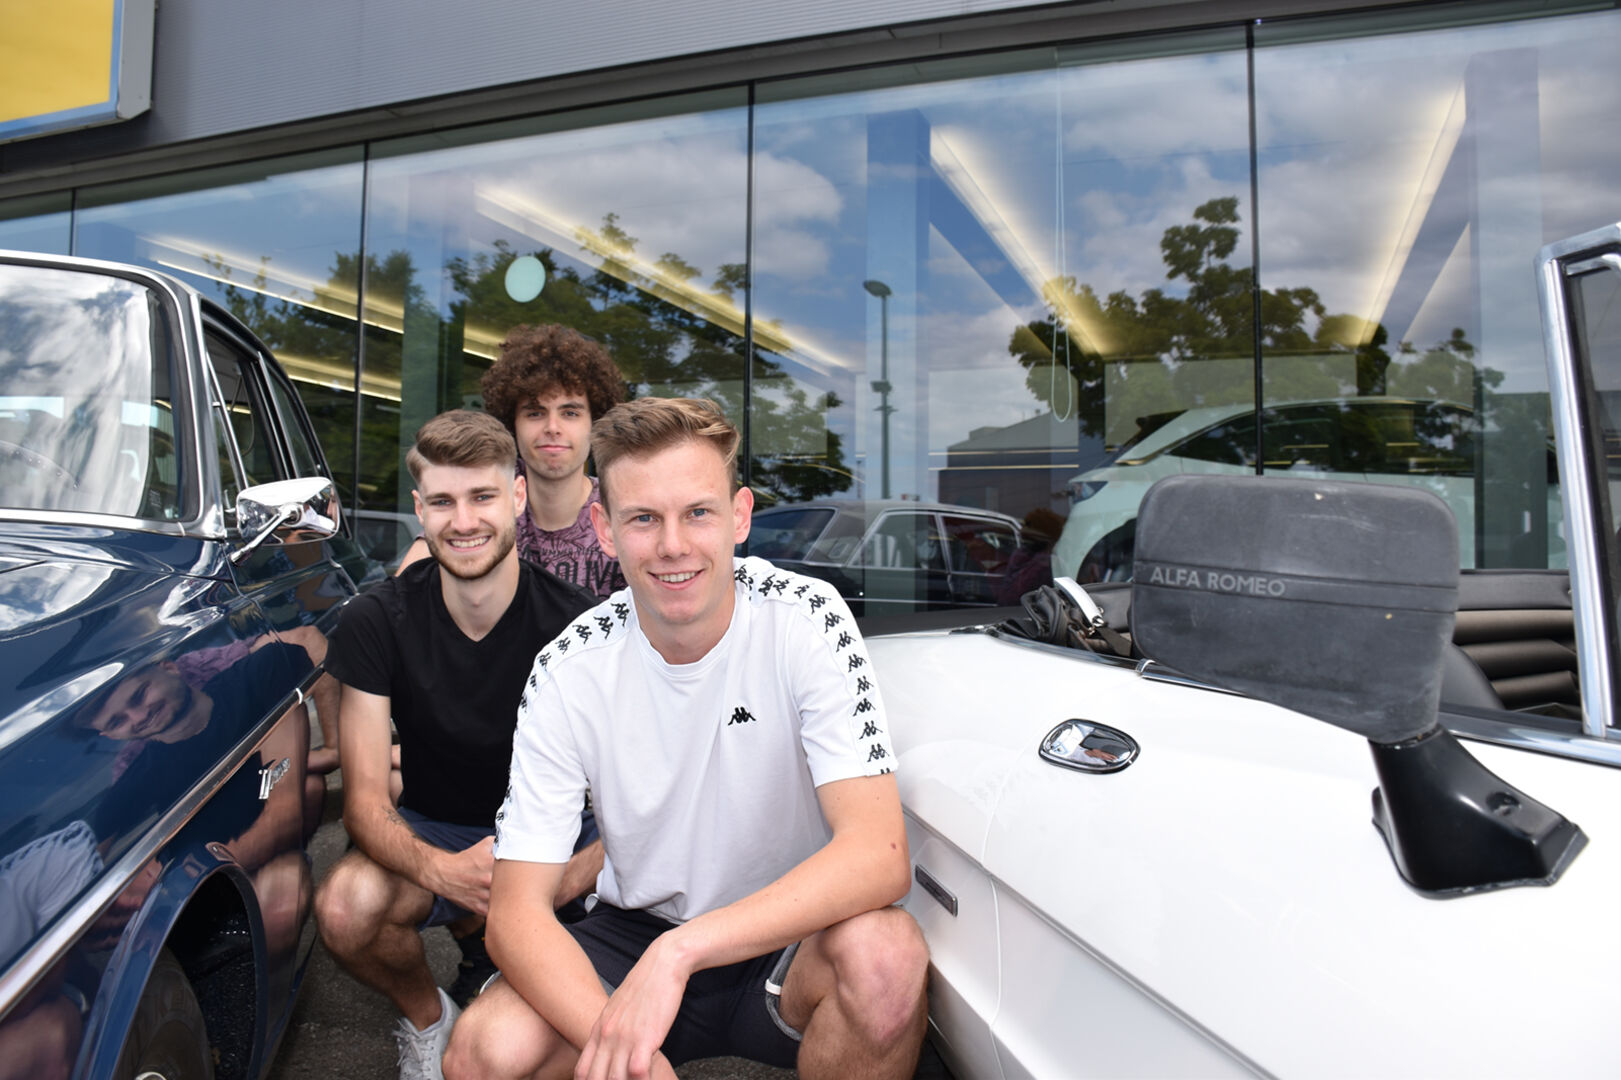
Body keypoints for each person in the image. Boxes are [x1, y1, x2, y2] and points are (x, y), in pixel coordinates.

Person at [443, 398, 930, 1080]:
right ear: (604, 529)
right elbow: (515, 916)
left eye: (698, 512)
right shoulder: (567, 667)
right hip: (633, 929)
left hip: (789, 931)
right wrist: (633, 1057)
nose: (672, 545)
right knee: (483, 1053)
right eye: (643, 518)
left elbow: (879, 856)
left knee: (885, 955)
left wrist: (683, 951)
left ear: (739, 516)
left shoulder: (807, 618)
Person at [314, 410, 602, 1080]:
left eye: (482, 497)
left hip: (557, 833)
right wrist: (444, 873)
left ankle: (501, 965)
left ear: (518, 497)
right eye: (443, 502)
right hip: (437, 827)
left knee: (548, 1043)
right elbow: (363, 803)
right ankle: (428, 1020)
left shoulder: (579, 626)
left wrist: (559, 879)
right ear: (420, 510)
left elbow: (633, 803)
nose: (464, 521)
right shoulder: (377, 619)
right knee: (346, 909)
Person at [399, 324, 627, 598]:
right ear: (513, 423)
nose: (552, 427)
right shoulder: (484, 494)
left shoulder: (622, 508)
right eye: (535, 413)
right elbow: (400, 599)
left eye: (570, 413)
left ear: (594, 421)